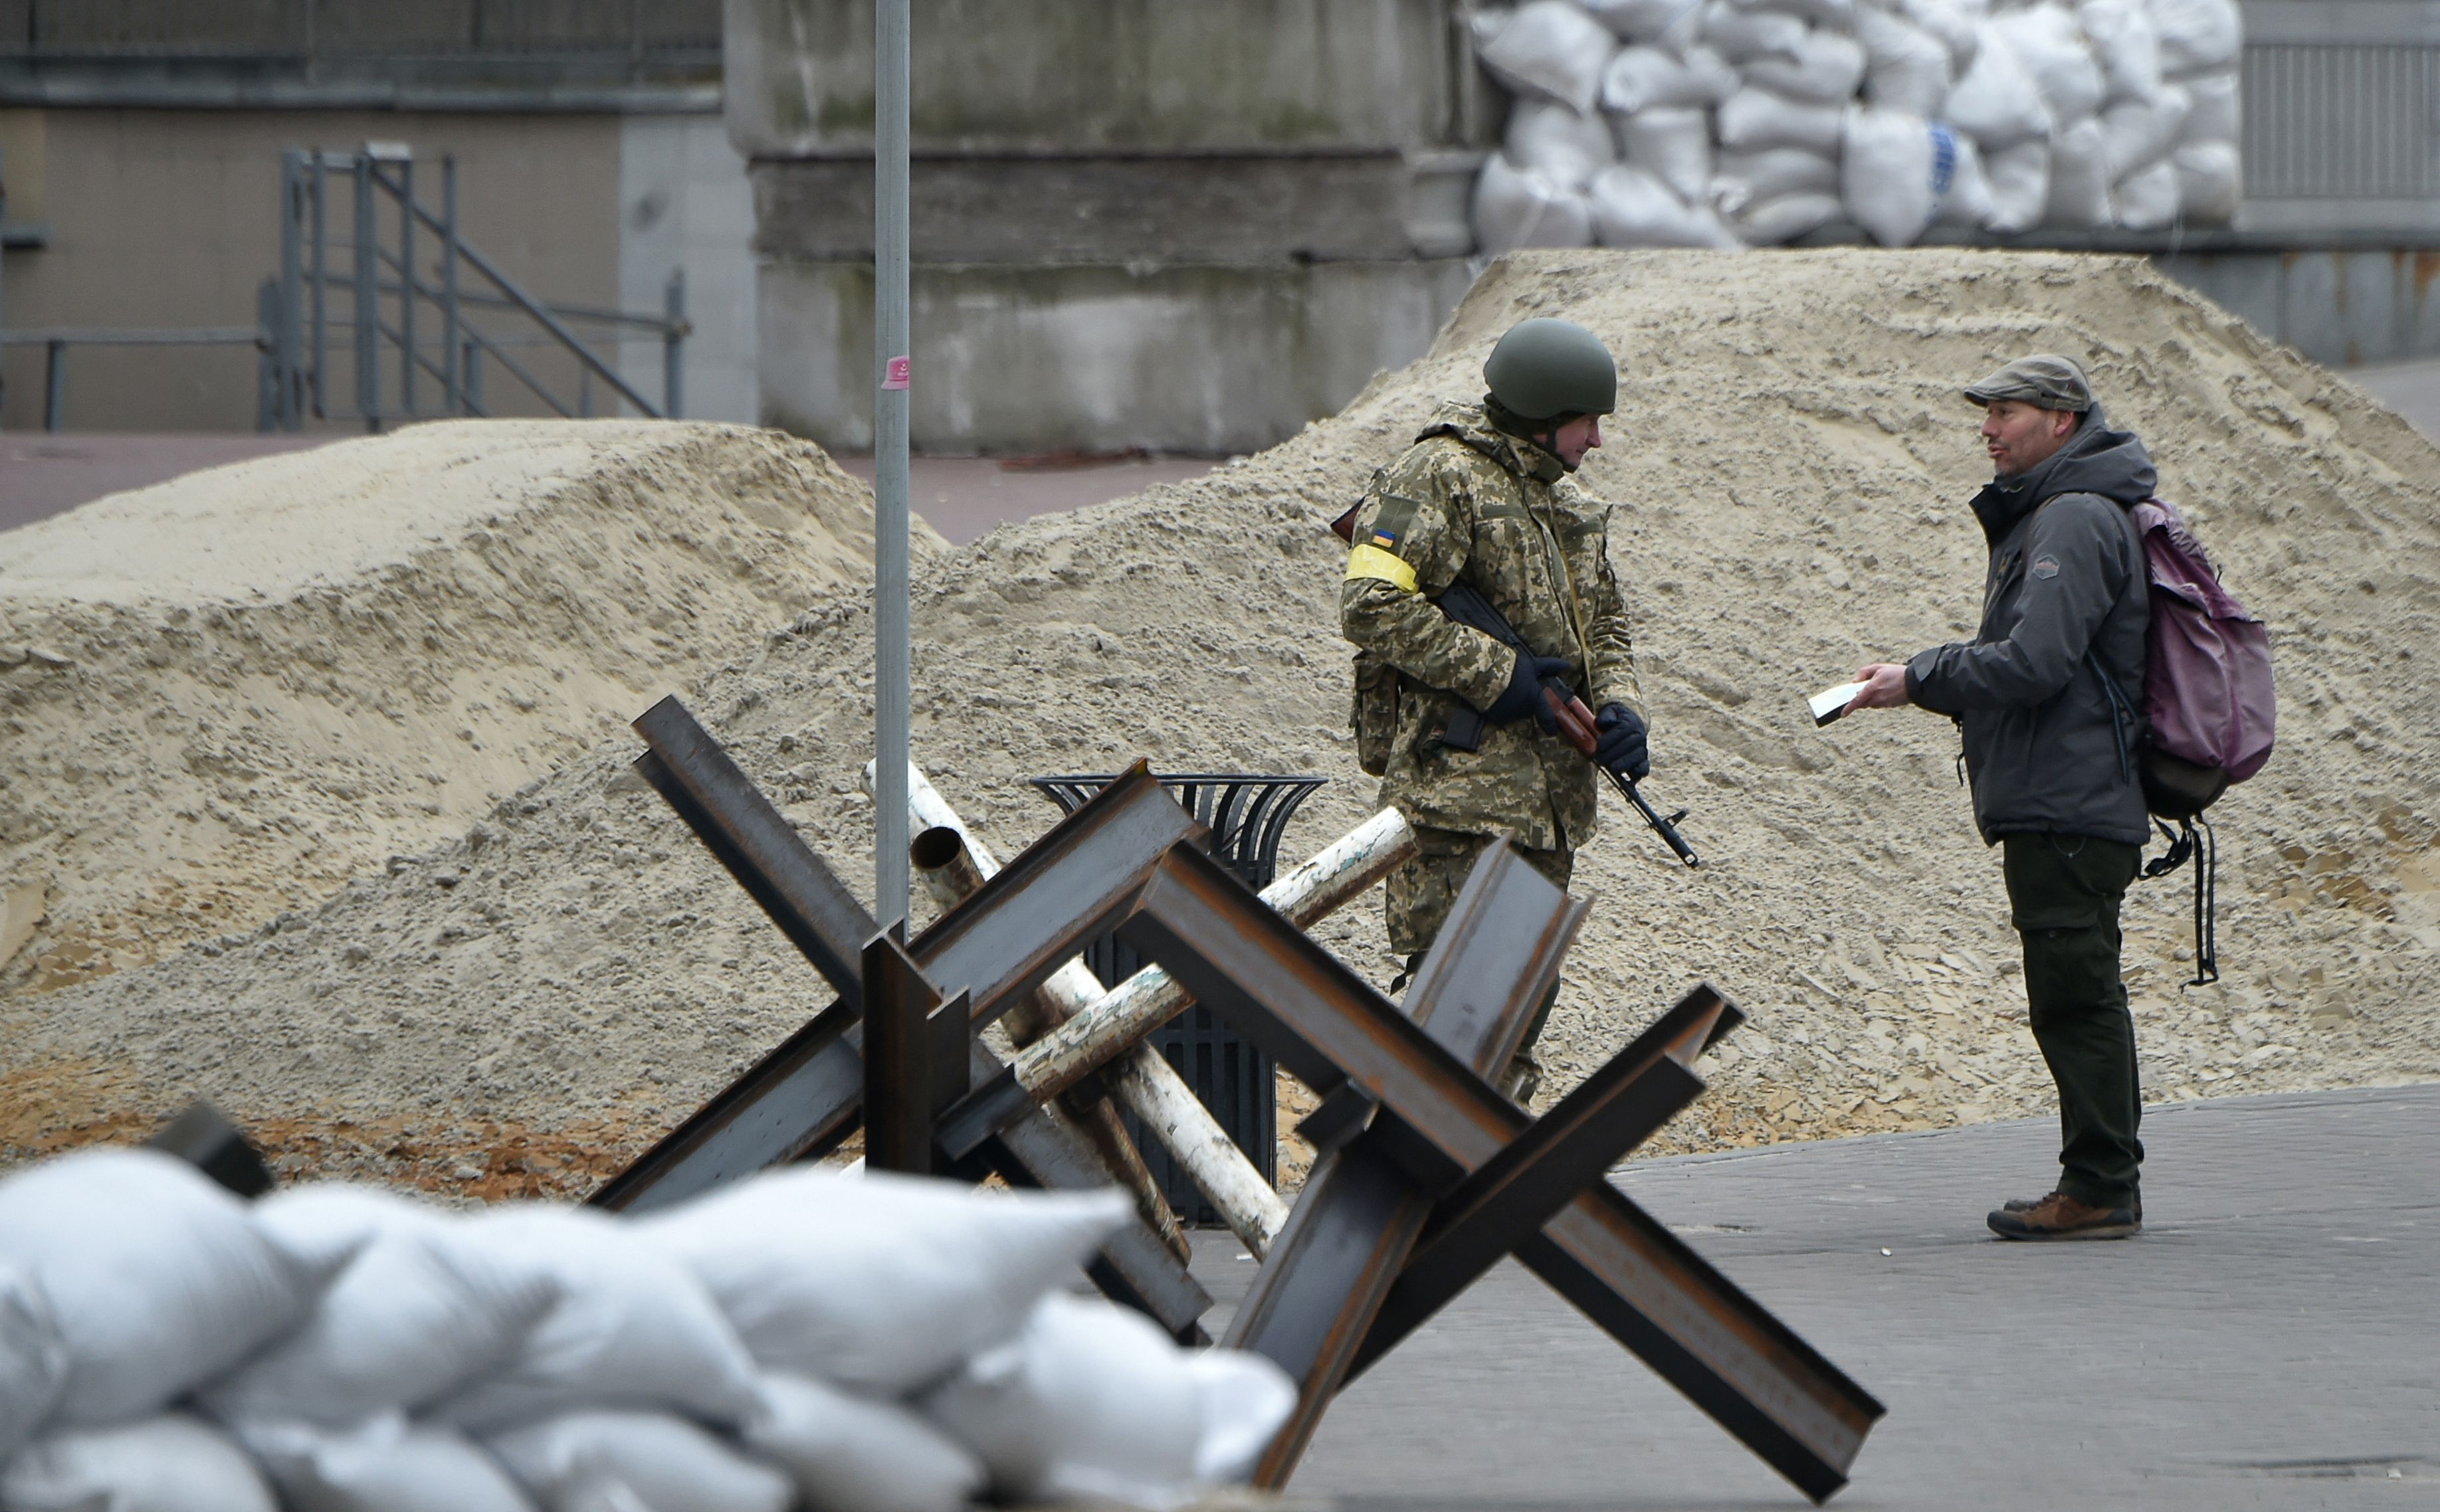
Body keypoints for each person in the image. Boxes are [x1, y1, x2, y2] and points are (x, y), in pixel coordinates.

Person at [1845, 353, 2155, 1241]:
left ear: (2061, 421)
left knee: (2074, 996)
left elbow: (2034, 662)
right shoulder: (2076, 511)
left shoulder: (2073, 520)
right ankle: (2105, 1178)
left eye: (2006, 412)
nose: (1987, 428)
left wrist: (1919, 677)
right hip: (2072, 793)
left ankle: (2097, 1186)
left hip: (2067, 799)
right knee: (2085, 989)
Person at [1338, 317, 1647, 1103]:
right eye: (1588, 421)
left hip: (1548, 807)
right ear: (1546, 411)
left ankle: (1477, 1190)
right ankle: (1401, 1194)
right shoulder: (1436, 476)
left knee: (1514, 1015)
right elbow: (1370, 604)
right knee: (1450, 1016)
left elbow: (1605, 622)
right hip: (1459, 801)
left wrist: (1619, 708)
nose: (1597, 441)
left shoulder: (1559, 502)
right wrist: (1499, 674)